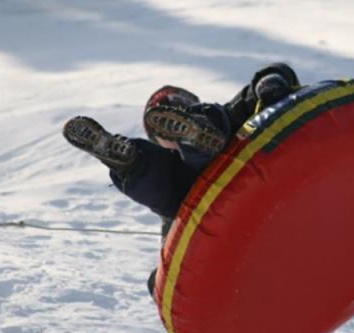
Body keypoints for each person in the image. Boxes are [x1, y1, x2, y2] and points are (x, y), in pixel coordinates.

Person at [62, 63, 300, 297]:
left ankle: (152, 157)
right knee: (164, 186)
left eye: (177, 116)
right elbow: (174, 258)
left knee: (216, 127)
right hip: (212, 200)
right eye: (164, 128)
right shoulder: (172, 186)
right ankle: (129, 161)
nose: (168, 131)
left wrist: (270, 88)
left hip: (247, 156)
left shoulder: (233, 115)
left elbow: (277, 73)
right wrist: (158, 283)